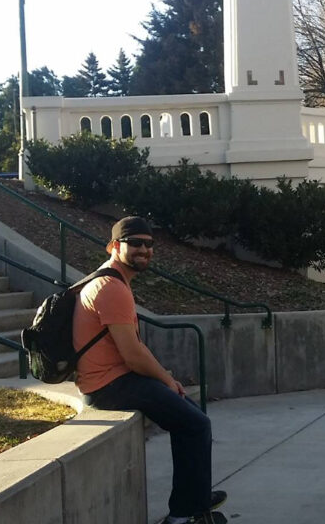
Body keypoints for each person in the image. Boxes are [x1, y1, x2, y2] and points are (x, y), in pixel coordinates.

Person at [74, 216, 227, 524]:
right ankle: (182, 516)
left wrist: (165, 378)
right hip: (109, 385)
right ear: (115, 246)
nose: (144, 250)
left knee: (193, 417)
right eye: (136, 244)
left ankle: (194, 493)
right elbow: (132, 354)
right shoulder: (111, 288)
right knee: (195, 425)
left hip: (114, 378)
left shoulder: (111, 280)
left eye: (149, 244)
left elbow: (132, 350)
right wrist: (166, 379)